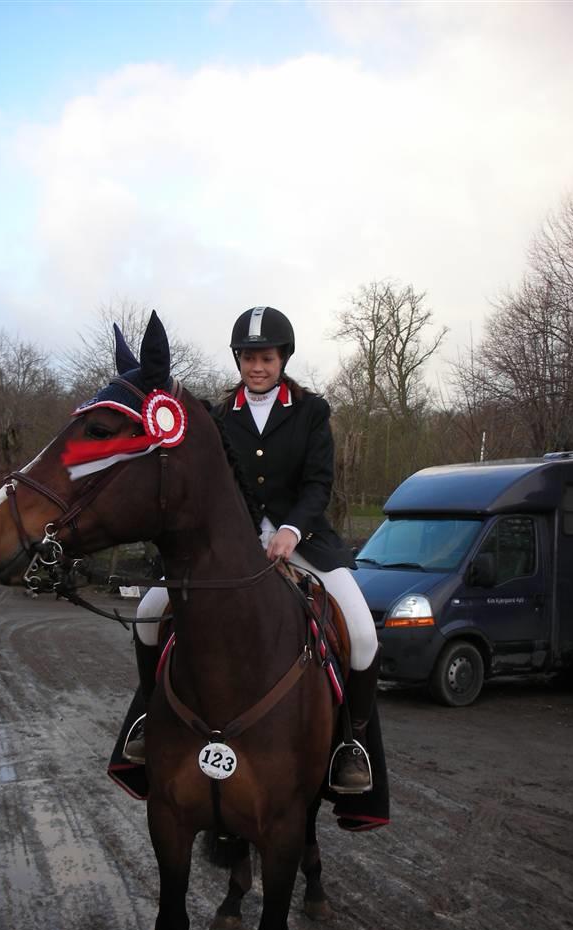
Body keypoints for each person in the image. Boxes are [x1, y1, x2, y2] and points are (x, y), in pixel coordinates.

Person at [123, 307, 381, 795]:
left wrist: (290, 530)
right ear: (238, 360)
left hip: (300, 543)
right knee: (150, 611)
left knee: (364, 634)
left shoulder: (312, 411)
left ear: (283, 358)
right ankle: (145, 713)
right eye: (247, 358)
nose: (256, 367)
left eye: (265, 357)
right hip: (228, 546)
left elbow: (318, 482)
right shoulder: (219, 416)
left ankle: (352, 742)